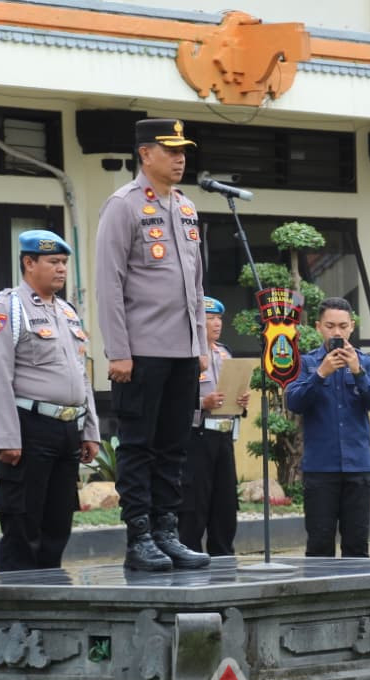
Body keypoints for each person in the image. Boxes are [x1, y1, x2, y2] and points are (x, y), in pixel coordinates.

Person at [95, 118, 210, 572]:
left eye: (183, 151)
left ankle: (167, 533)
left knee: (173, 447)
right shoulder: (123, 206)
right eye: (171, 151)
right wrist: (118, 351)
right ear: (145, 154)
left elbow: (196, 286)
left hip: (183, 352)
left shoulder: (185, 206)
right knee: (138, 446)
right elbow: (109, 283)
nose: (180, 159)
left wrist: (201, 345)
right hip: (141, 351)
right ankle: (139, 537)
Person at [0, 229, 100, 572]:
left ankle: (51, 592)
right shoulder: (8, 307)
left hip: (68, 430)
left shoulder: (67, 312)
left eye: (63, 262)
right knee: (23, 522)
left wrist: (90, 430)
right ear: (29, 263)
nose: (61, 269)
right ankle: (19, 596)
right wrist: (6, 437)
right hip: (29, 428)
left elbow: (81, 374)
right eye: (53, 262)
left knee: (58, 522)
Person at [286, 297, 370, 557]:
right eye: (330, 326)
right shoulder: (306, 363)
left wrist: (358, 372)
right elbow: (294, 402)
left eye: (343, 326)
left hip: (358, 467)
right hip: (320, 468)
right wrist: (320, 374)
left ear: (352, 326)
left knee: (357, 546)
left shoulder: (367, 362)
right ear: (319, 327)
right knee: (319, 545)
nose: (337, 333)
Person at [178, 297, 251, 556]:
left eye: (219, 318)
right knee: (194, 504)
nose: (217, 323)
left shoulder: (224, 352)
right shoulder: (185, 355)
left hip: (224, 435)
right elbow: (173, 400)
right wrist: (202, 403)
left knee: (225, 503)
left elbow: (233, 394)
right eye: (210, 319)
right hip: (196, 436)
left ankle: (224, 557)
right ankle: (190, 556)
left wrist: (241, 403)